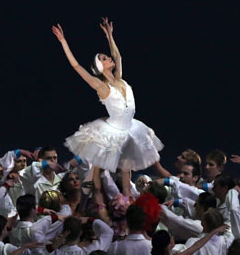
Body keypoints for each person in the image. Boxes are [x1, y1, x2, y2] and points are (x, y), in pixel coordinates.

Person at [54, 18, 163, 173]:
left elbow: (118, 57)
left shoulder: (119, 78)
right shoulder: (103, 87)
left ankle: (124, 192)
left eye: (106, 56)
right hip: (113, 131)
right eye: (104, 59)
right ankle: (73, 168)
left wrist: (109, 35)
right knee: (99, 168)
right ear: (100, 67)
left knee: (127, 166)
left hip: (131, 127)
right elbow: (76, 66)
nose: (109, 58)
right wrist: (63, 41)